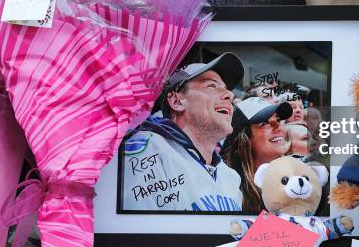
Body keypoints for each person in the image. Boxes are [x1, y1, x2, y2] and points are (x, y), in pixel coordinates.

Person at [121, 53, 245, 212]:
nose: (230, 95)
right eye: (212, 86)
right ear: (177, 101)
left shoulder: (231, 177)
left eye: (227, 90)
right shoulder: (148, 150)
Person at [222, 97, 293, 212]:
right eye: (265, 123)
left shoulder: (297, 175)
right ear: (243, 139)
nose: (279, 127)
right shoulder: (228, 190)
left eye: (278, 120)